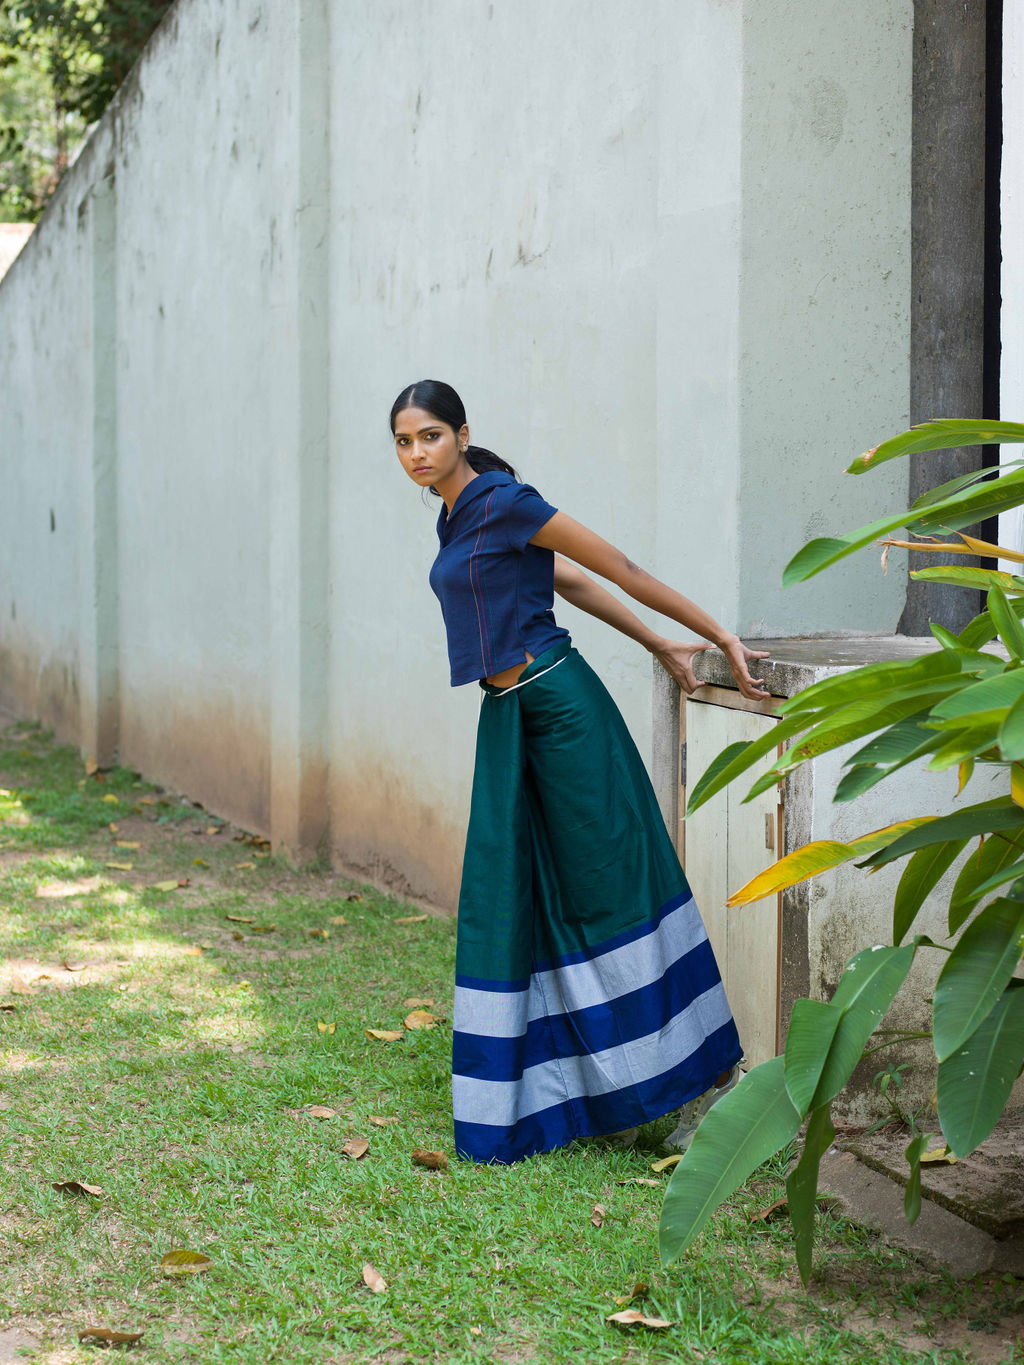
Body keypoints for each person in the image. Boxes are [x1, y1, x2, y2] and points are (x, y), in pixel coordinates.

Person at [390, 380, 770, 1164]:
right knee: (539, 898)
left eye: (429, 435)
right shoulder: (455, 516)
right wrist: (652, 645)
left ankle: (713, 1075)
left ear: (463, 432)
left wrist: (707, 634)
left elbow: (617, 565)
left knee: (613, 890)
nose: (417, 453)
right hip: (511, 722)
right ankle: (617, 1087)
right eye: (402, 441)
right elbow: (564, 582)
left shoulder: (502, 499)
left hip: (561, 711)